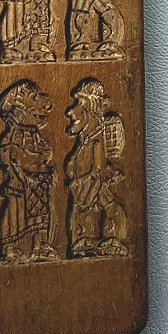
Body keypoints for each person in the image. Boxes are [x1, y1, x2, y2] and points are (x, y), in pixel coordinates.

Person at [0, 80, 58, 263]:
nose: (45, 105)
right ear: (17, 109)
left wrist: (43, 166)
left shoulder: (34, 135)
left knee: (41, 214)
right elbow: (9, 157)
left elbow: (46, 153)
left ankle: (39, 246)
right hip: (19, 185)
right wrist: (23, 172)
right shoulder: (12, 136)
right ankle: (9, 249)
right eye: (34, 99)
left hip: (39, 182)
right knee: (14, 215)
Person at [64, 79, 128, 257]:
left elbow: (96, 173)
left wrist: (79, 182)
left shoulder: (95, 144)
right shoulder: (85, 143)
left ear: (91, 109)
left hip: (90, 193)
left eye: (79, 104)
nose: (70, 112)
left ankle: (109, 238)